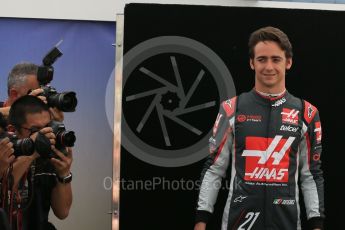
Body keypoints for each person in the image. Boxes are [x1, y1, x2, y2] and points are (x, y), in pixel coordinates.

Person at [194, 26, 324, 230]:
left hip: (287, 223)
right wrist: (201, 221)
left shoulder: (307, 113)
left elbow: (311, 175)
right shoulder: (231, 109)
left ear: (288, 62)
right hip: (238, 223)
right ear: (252, 63)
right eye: (262, 59)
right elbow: (214, 168)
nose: (269, 67)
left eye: (276, 59)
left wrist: (316, 224)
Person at [4, 95, 73, 230]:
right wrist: (32, 153)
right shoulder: (4, 152)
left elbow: (62, 212)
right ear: (13, 131)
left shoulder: (48, 155)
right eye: (36, 130)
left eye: (47, 127)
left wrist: (64, 174)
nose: (45, 134)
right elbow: (6, 186)